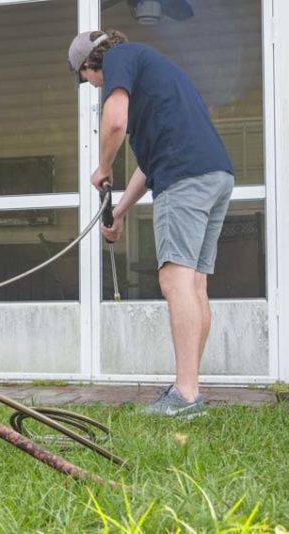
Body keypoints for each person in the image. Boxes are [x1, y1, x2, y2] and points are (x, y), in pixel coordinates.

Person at [67, 30, 234, 417]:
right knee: (194, 283)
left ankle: (186, 396)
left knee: (174, 281)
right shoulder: (151, 75)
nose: (94, 85)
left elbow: (113, 123)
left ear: (90, 64)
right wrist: (121, 209)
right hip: (215, 174)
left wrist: (103, 167)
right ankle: (187, 387)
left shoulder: (119, 59)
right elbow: (148, 165)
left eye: (86, 79)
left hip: (185, 177)